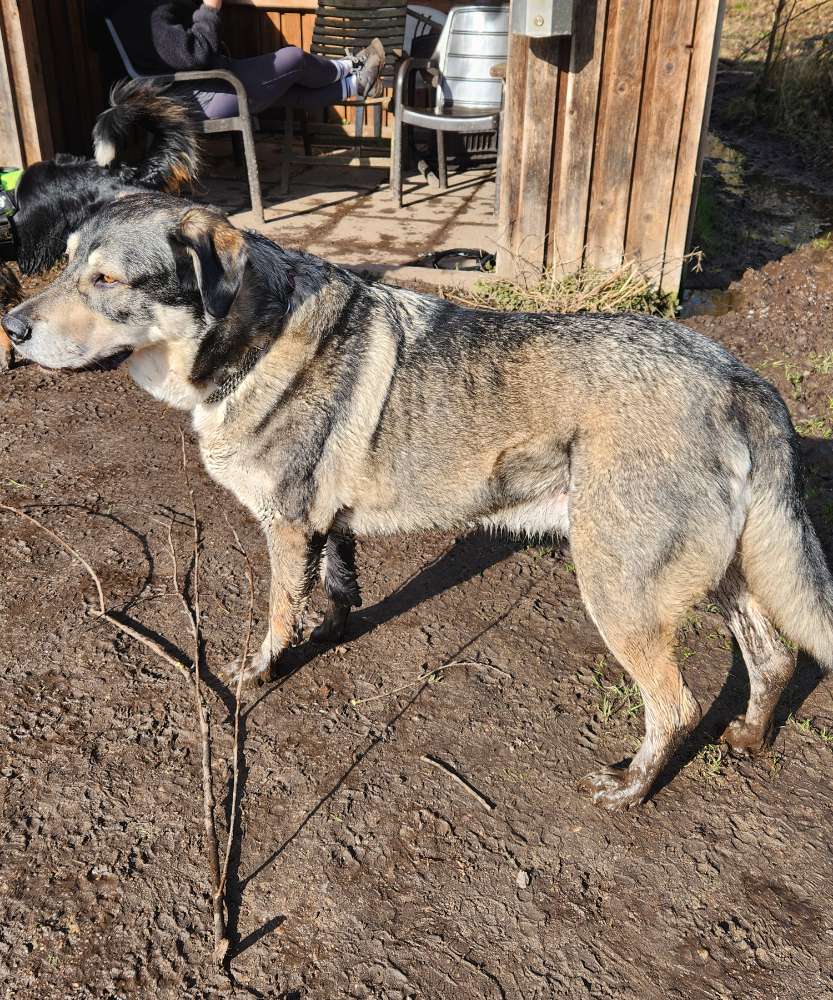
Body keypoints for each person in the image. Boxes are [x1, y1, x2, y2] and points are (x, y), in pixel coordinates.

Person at [90, 0, 385, 118]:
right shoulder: (144, 9)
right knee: (293, 59)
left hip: (180, 92)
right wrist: (210, 8)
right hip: (195, 96)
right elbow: (193, 53)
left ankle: (357, 85)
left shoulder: (115, 8)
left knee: (284, 89)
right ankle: (354, 66)